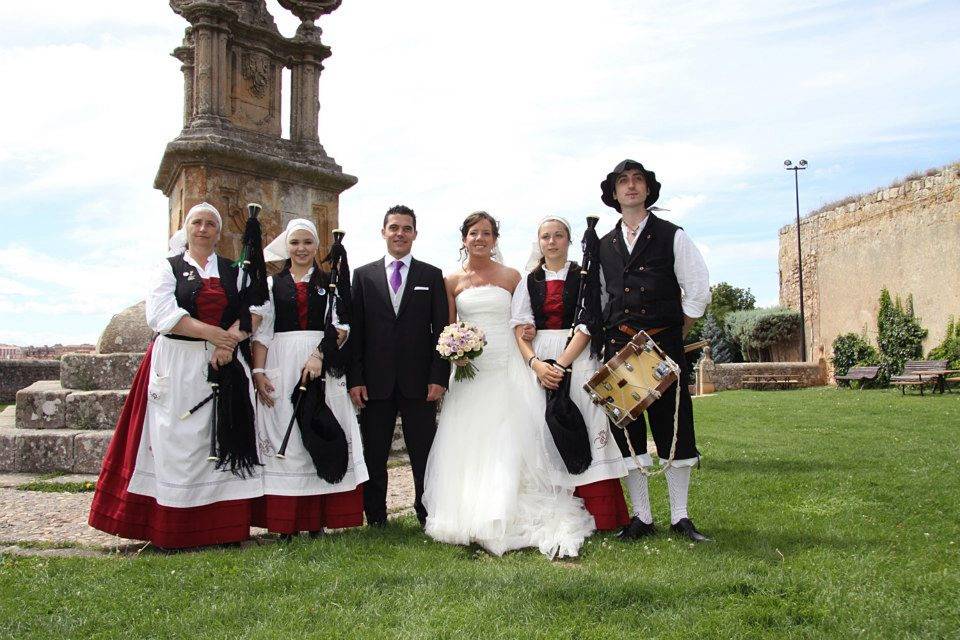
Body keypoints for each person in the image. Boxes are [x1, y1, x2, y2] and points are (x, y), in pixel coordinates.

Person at [88, 202, 264, 548]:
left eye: (210, 224)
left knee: (218, 439)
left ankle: (222, 529)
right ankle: (174, 529)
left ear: (218, 232)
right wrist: (212, 334)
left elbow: (257, 309)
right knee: (176, 442)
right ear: (187, 230)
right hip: (177, 362)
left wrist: (228, 343)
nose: (203, 229)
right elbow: (162, 314)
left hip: (222, 362)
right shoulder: (167, 268)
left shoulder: (233, 270)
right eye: (196, 223)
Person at [423, 211, 595, 559]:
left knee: (505, 437)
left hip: (506, 367)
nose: (480, 239)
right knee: (468, 439)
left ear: (495, 239)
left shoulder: (512, 276)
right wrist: (453, 351)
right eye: (473, 233)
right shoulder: (451, 280)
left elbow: (524, 316)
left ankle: (502, 511)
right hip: (470, 371)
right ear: (464, 238)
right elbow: (448, 326)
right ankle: (467, 512)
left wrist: (528, 331)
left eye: (487, 233)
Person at [597, 160, 712, 542]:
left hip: (663, 348)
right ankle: (642, 518)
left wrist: (671, 334)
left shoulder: (672, 235)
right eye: (623, 182)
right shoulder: (603, 245)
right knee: (628, 435)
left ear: (648, 189)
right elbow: (599, 299)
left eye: (638, 181)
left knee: (674, 432)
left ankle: (680, 517)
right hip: (620, 351)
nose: (630, 186)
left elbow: (697, 291)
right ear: (613, 193)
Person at [249, 218, 368, 538]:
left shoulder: (330, 281)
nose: (301, 249)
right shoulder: (272, 285)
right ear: (286, 247)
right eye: (295, 243)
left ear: (318, 247)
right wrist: (258, 372)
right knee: (284, 435)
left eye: (307, 243)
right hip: (282, 361)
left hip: (321, 361)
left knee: (319, 429)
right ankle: (286, 523)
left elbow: (341, 327)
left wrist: (319, 355)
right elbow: (262, 332)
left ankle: (317, 519)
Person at [511, 216, 630, 532]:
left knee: (585, 423)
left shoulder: (585, 276)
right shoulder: (529, 281)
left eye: (559, 235)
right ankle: (552, 508)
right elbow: (519, 328)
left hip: (576, 356)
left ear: (568, 240)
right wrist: (536, 364)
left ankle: (600, 514)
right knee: (544, 427)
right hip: (540, 359)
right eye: (546, 236)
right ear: (539, 242)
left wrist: (561, 364)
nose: (552, 242)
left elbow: (588, 324)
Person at [347, 205, 450, 527]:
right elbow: (357, 332)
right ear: (383, 232)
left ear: (415, 234)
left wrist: (438, 377)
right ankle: (376, 519)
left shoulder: (431, 276)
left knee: (424, 454)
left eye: (406, 228)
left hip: (419, 382)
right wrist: (356, 379)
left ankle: (426, 514)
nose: (400, 233)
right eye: (394, 228)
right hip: (375, 382)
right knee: (374, 454)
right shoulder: (362, 276)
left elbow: (442, 331)